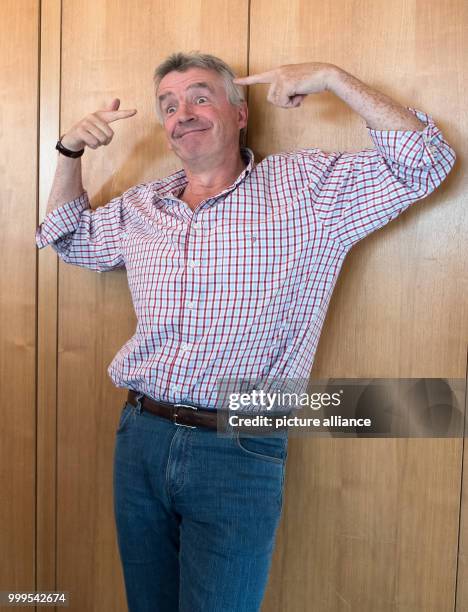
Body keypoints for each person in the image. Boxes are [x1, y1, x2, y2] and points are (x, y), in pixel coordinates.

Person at [35, 52, 455, 612]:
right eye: (168, 105)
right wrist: (69, 152)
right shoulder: (144, 206)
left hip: (238, 443)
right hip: (140, 435)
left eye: (200, 96)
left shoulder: (307, 188)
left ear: (239, 112)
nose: (182, 112)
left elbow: (425, 162)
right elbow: (68, 239)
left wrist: (332, 76)